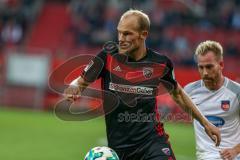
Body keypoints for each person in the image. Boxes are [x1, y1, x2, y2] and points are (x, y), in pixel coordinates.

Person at [64, 9, 220, 160]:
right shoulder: (107, 57)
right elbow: (81, 81)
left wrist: (205, 123)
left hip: (152, 142)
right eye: (119, 32)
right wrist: (74, 87)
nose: (121, 38)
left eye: (127, 33)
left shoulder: (160, 63)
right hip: (119, 148)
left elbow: (178, 94)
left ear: (143, 34)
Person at [184, 40, 240, 160]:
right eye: (201, 67)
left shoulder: (237, 92)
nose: (205, 73)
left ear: (221, 65)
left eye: (209, 67)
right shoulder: (189, 91)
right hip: (206, 157)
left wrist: (235, 150)